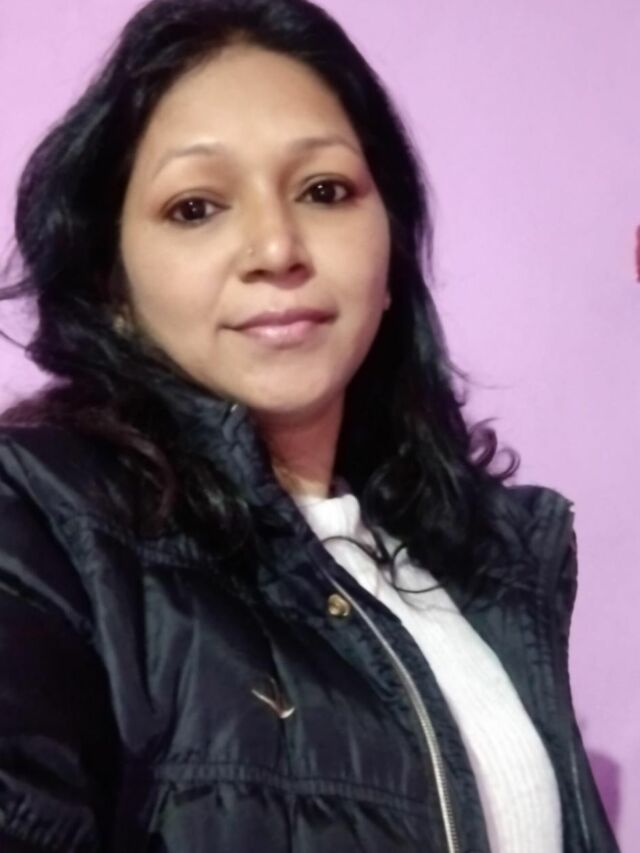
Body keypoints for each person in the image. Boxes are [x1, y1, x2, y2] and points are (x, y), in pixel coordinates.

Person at [0, 0, 619, 850]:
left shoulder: (477, 568)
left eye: (324, 191)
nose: (277, 247)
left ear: (390, 251)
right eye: (196, 206)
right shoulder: (40, 526)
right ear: (115, 286)